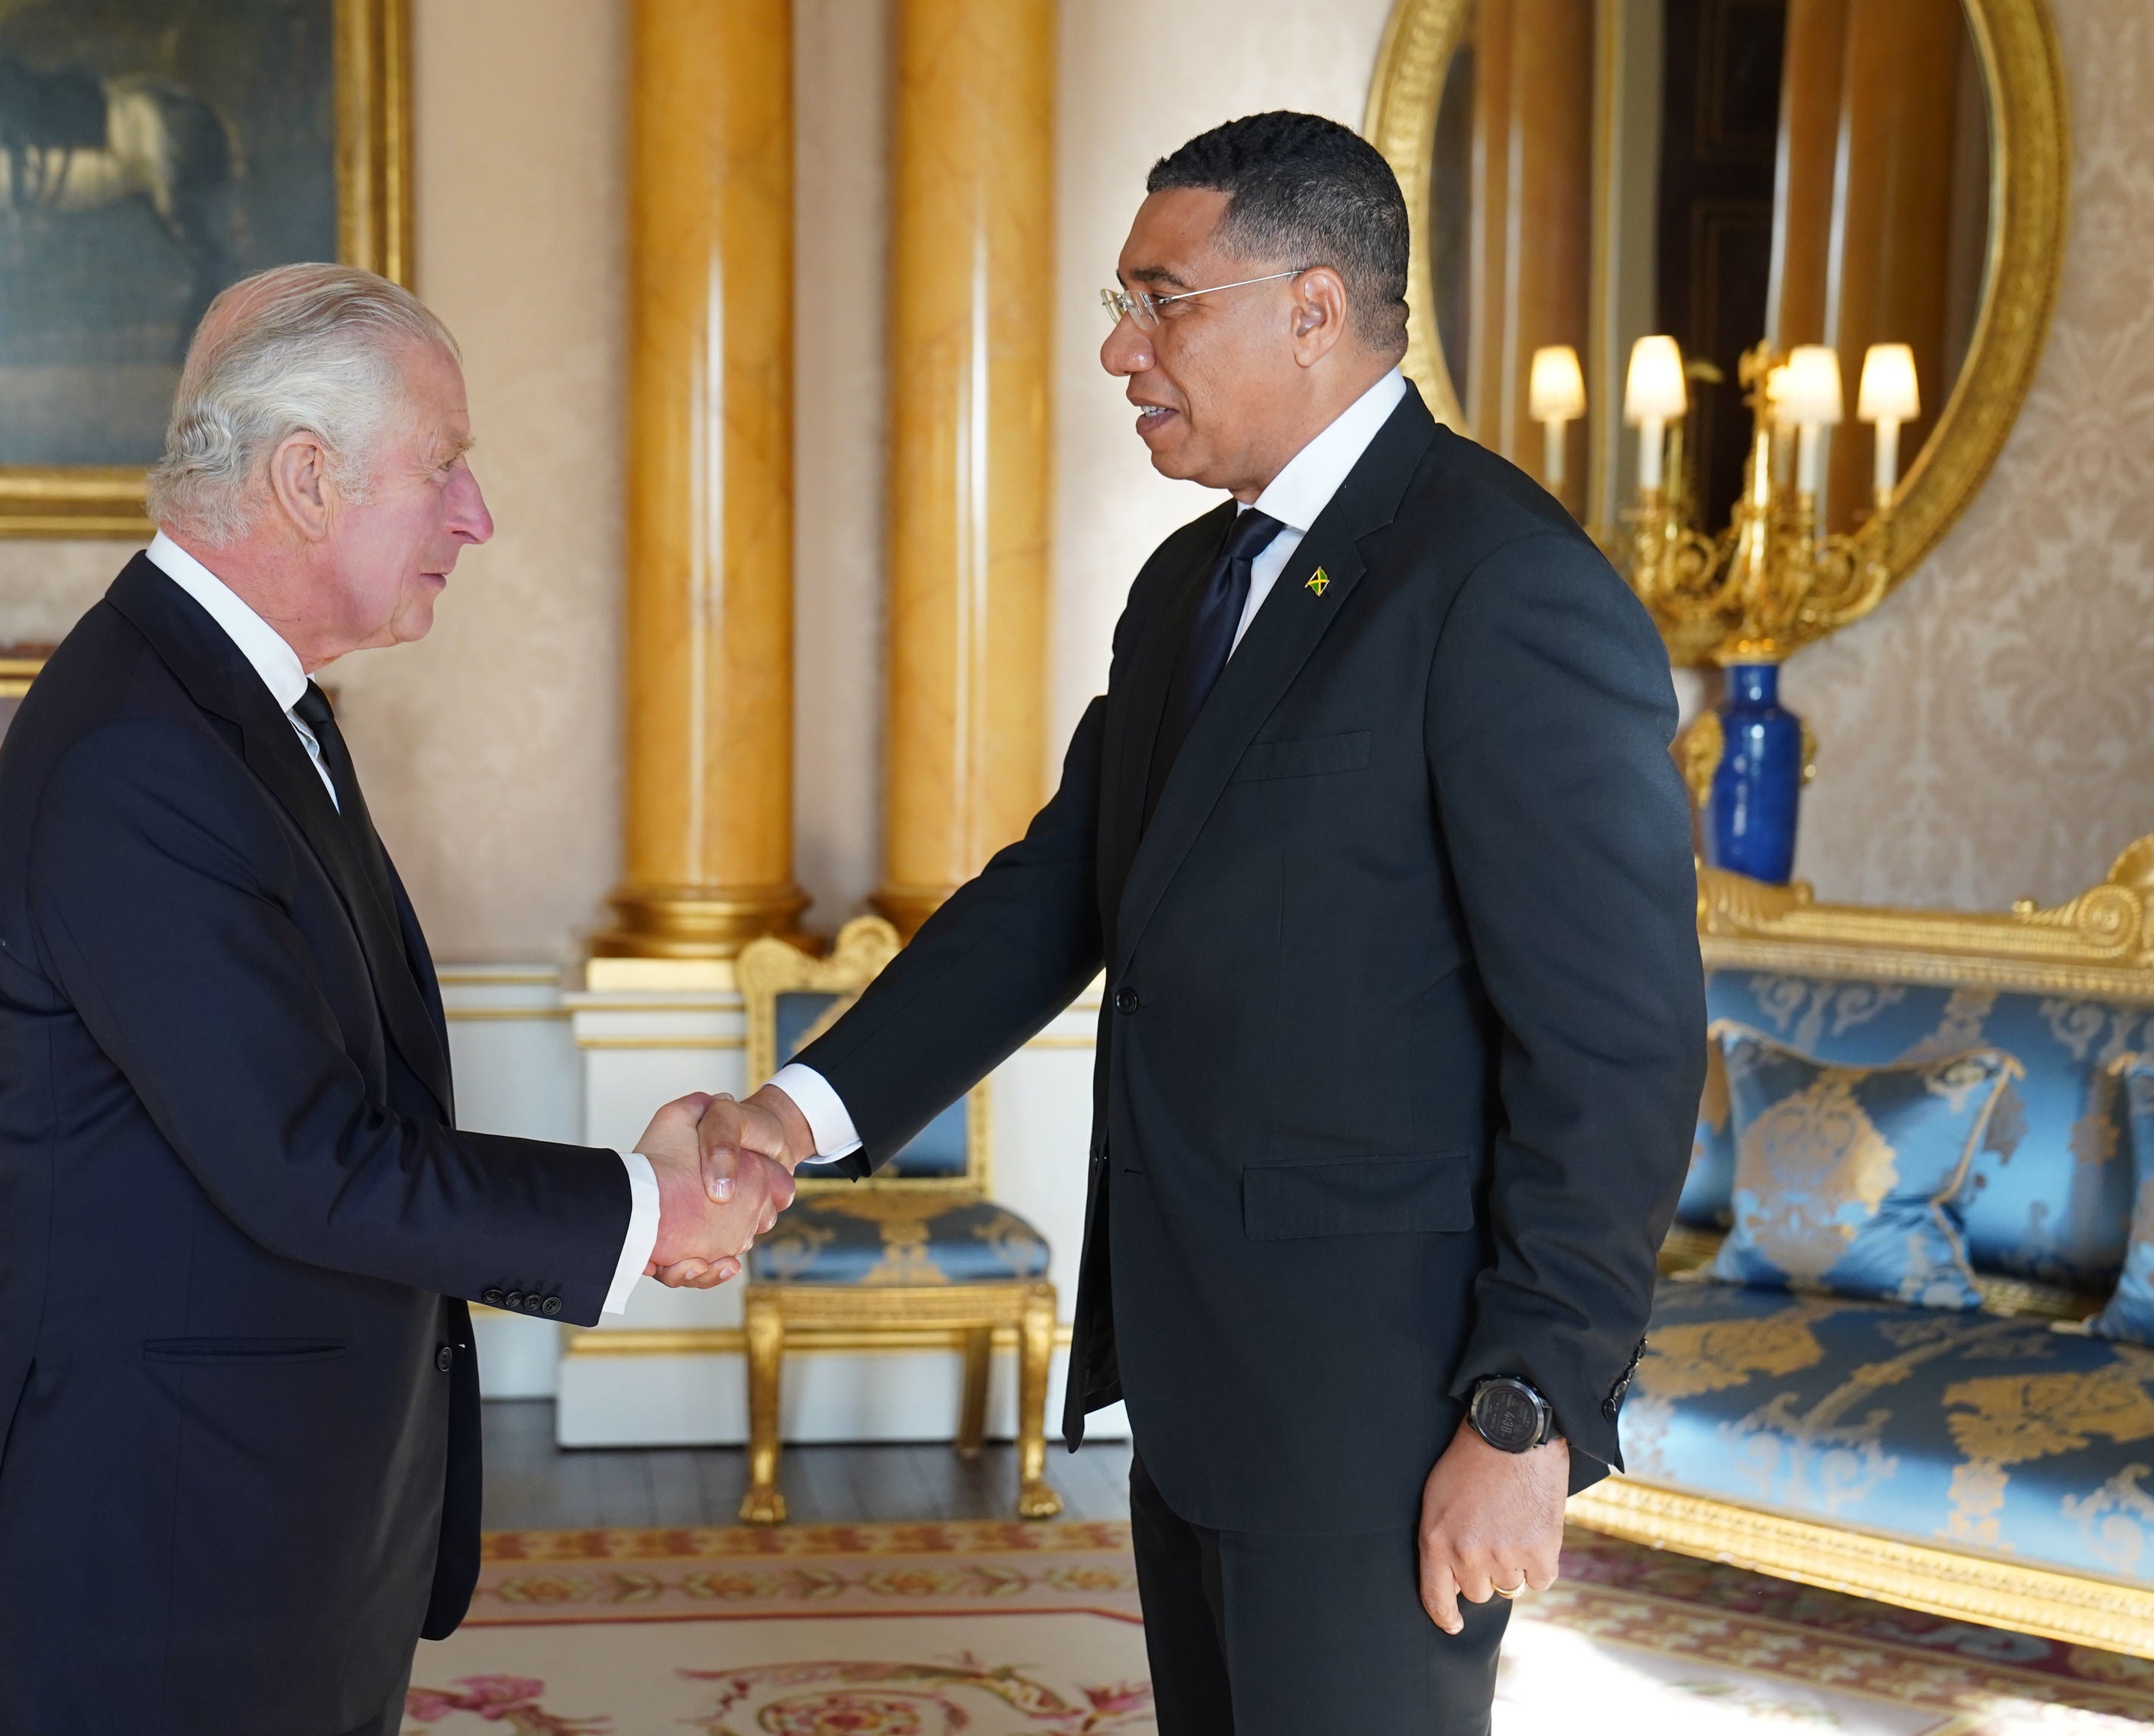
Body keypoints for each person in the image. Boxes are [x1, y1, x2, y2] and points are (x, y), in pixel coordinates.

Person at [699, 112, 1704, 1733]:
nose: (1118, 348)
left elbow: (1619, 1045)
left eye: (1161, 301)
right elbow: (1055, 894)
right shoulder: (1187, 587)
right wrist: (789, 1111)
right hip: (1198, 1373)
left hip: (1390, 1406)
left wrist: (1526, 1410)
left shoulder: (1502, 585)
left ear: (1313, 308)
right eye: (1123, 302)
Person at [0, 264, 792, 1736]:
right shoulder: (141, 755)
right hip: (161, 1551)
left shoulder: (239, 703)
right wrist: (642, 1207)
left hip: (261, 1511)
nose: (477, 517)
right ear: (308, 478)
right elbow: (307, 1159)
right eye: (445, 467)